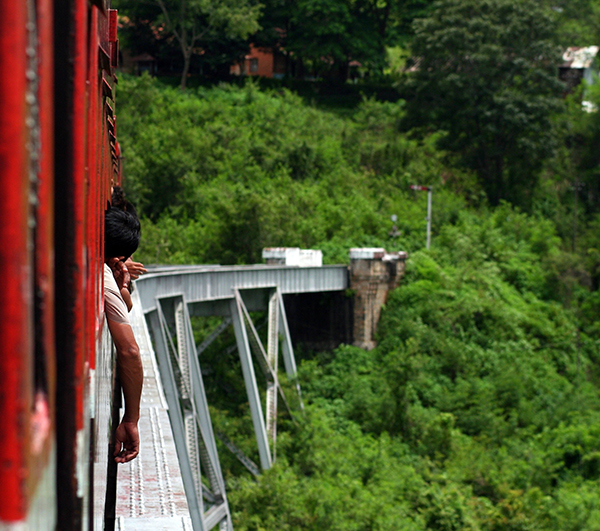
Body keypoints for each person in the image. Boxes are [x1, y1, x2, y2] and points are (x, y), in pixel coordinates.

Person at [104, 205, 144, 463]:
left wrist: (123, 289)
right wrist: (131, 419)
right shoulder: (102, 275)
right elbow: (129, 351)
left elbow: (121, 306)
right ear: (120, 257)